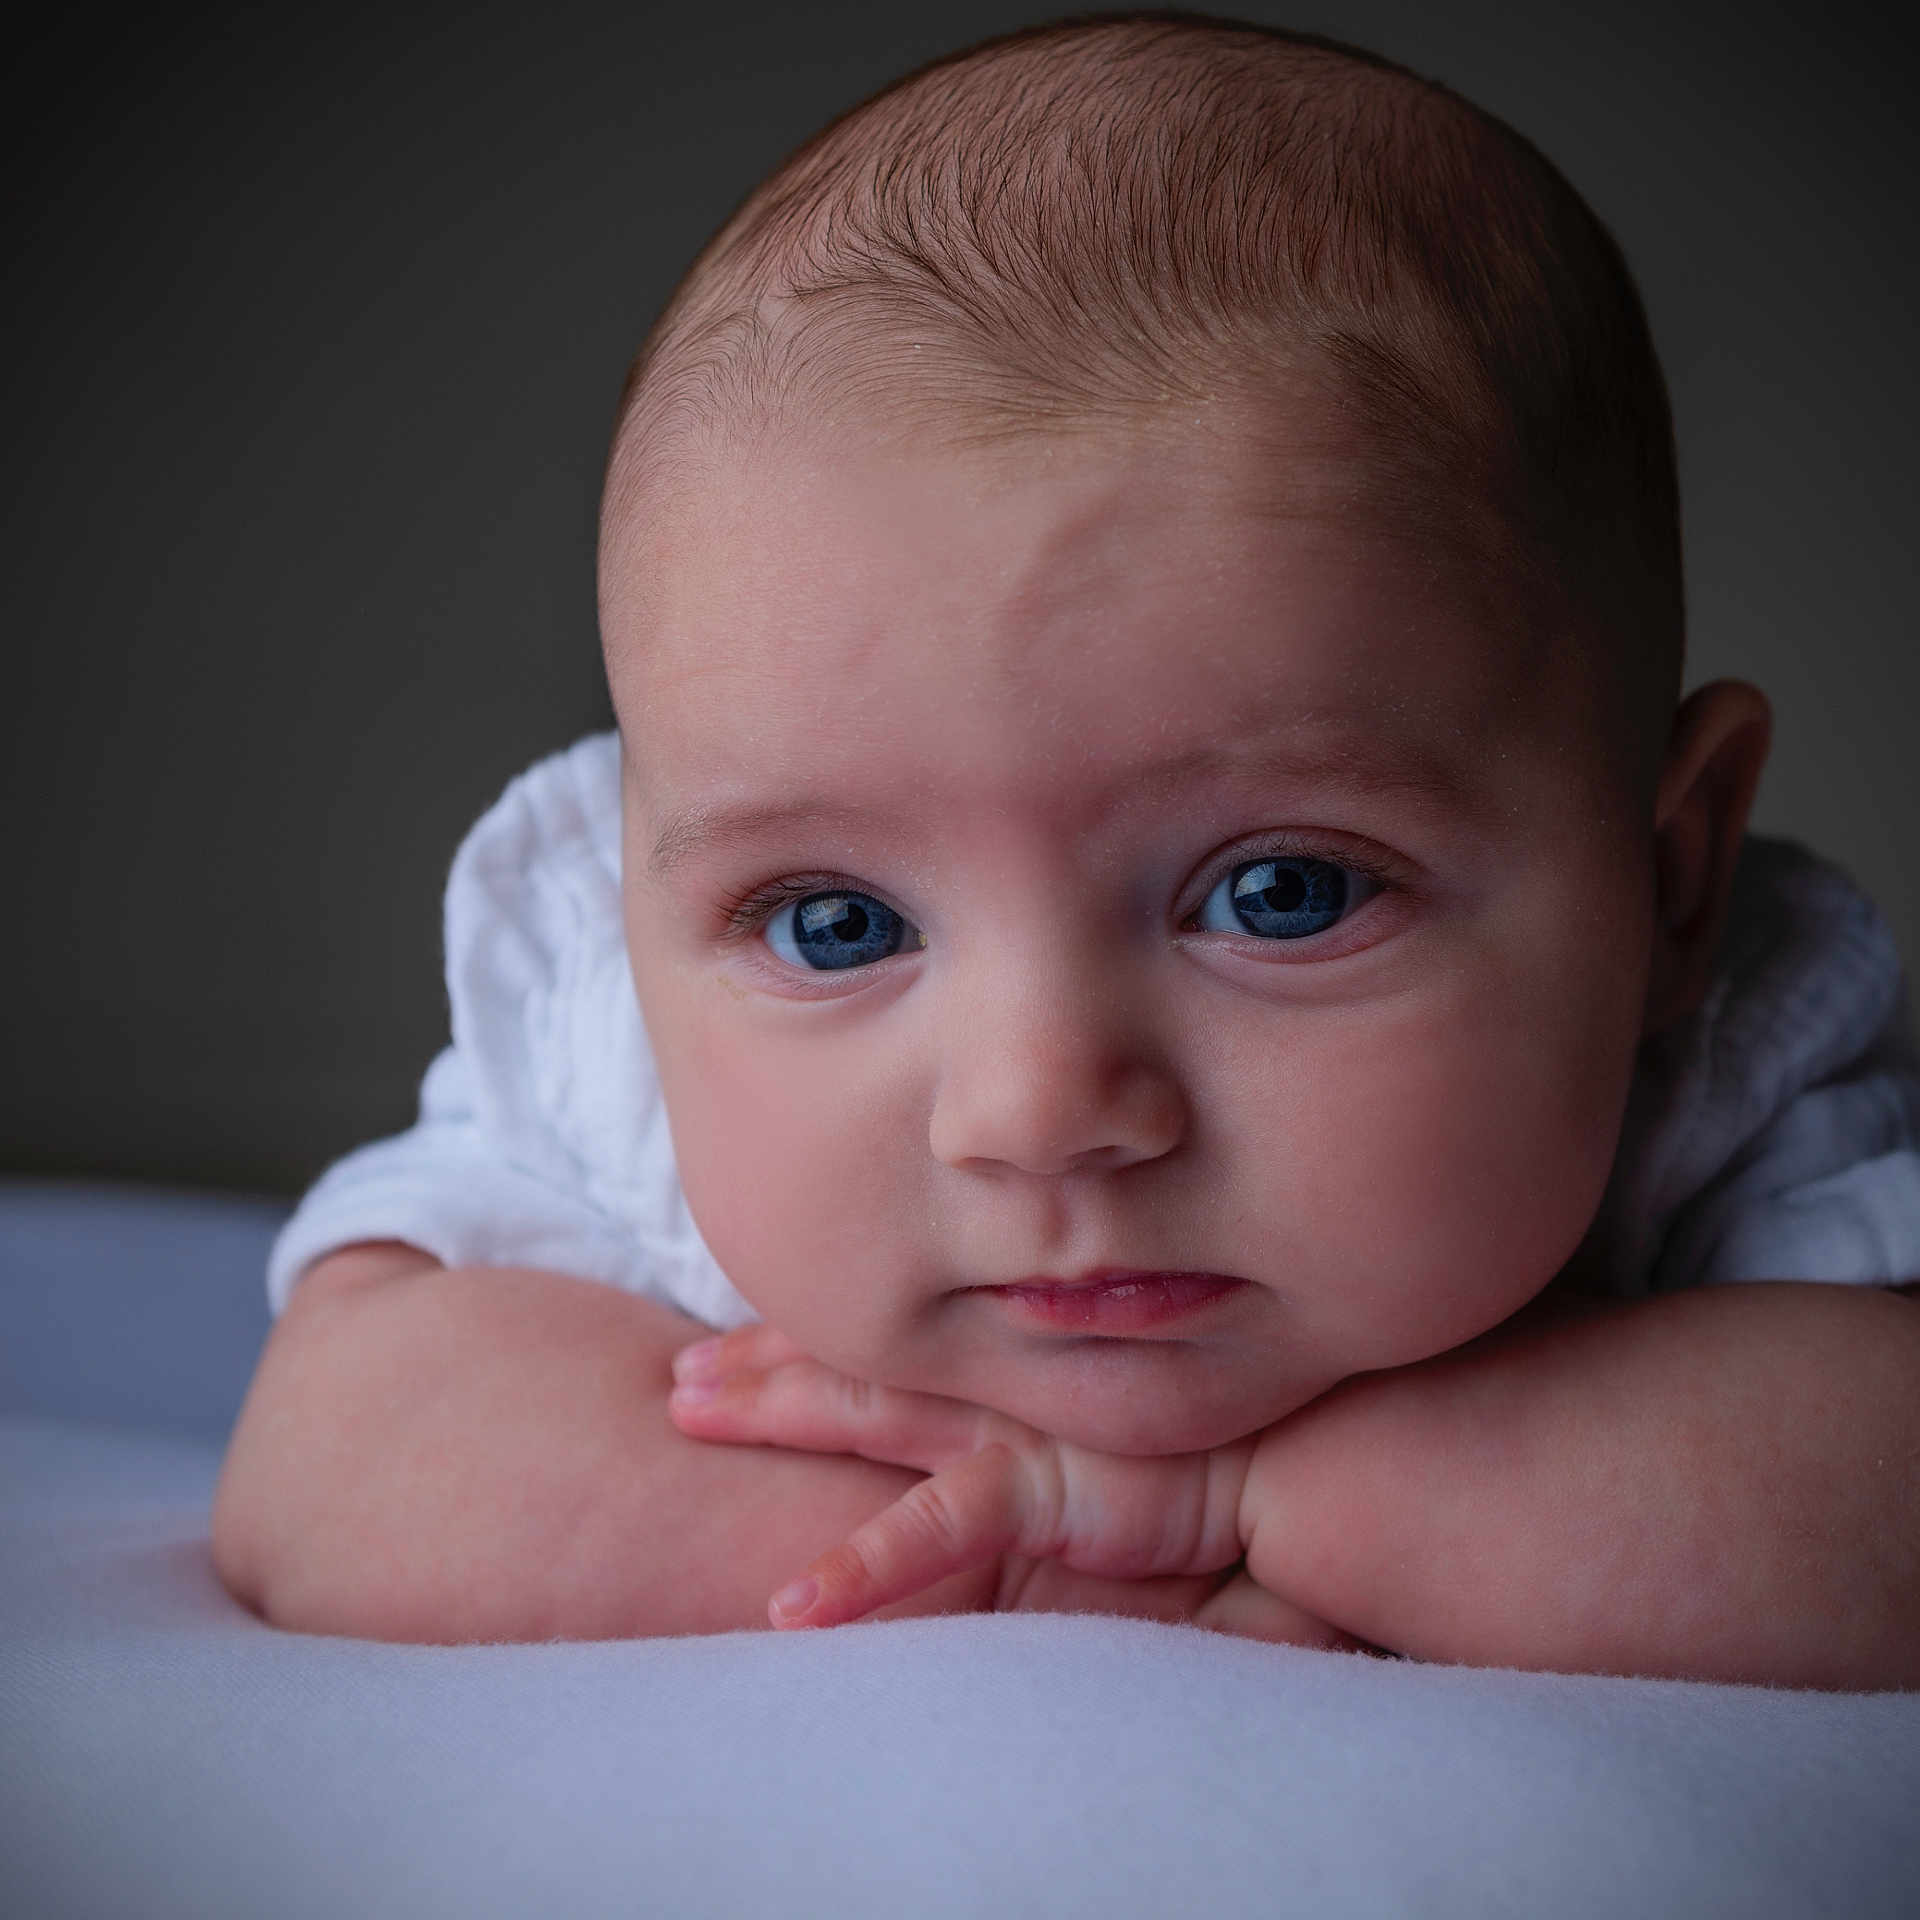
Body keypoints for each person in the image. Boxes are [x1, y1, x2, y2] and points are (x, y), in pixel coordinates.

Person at [211, 13, 1920, 1685]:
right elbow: (335, 1461)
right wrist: (1019, 1555)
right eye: (833, 924)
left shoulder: (1714, 1093)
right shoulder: (616, 1056)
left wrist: (1249, 1502)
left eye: (1281, 894)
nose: (1039, 1111)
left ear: (1667, 885)